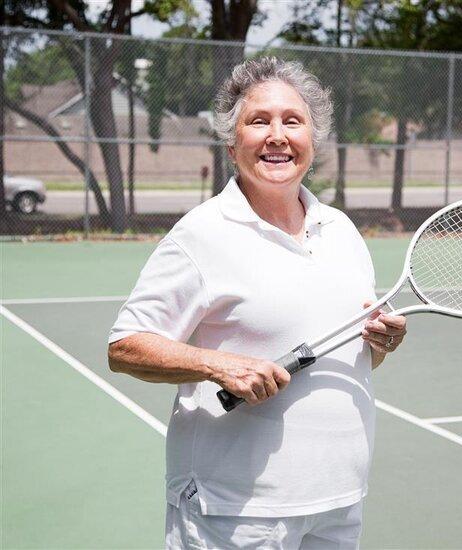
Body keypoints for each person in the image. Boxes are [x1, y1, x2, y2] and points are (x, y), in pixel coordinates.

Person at [107, 56, 407, 549]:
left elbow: (359, 358)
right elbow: (125, 346)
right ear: (232, 143)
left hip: (338, 502)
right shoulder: (202, 234)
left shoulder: (342, 231)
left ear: (313, 140)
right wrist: (217, 365)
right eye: (259, 121)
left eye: (293, 121)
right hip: (236, 511)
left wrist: (380, 343)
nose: (277, 136)